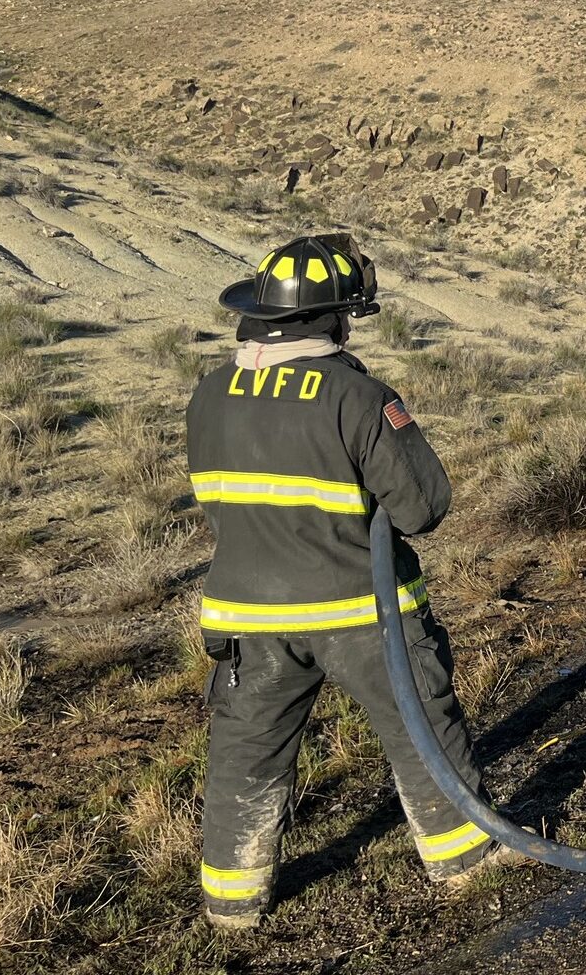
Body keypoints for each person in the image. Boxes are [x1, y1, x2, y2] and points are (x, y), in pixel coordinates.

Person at [187, 233, 510, 929]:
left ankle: (233, 903)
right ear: (333, 318)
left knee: (247, 753)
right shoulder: (357, 396)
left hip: (248, 616)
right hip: (362, 612)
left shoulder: (210, 395)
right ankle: (463, 862)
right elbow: (423, 507)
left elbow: (221, 500)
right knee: (418, 725)